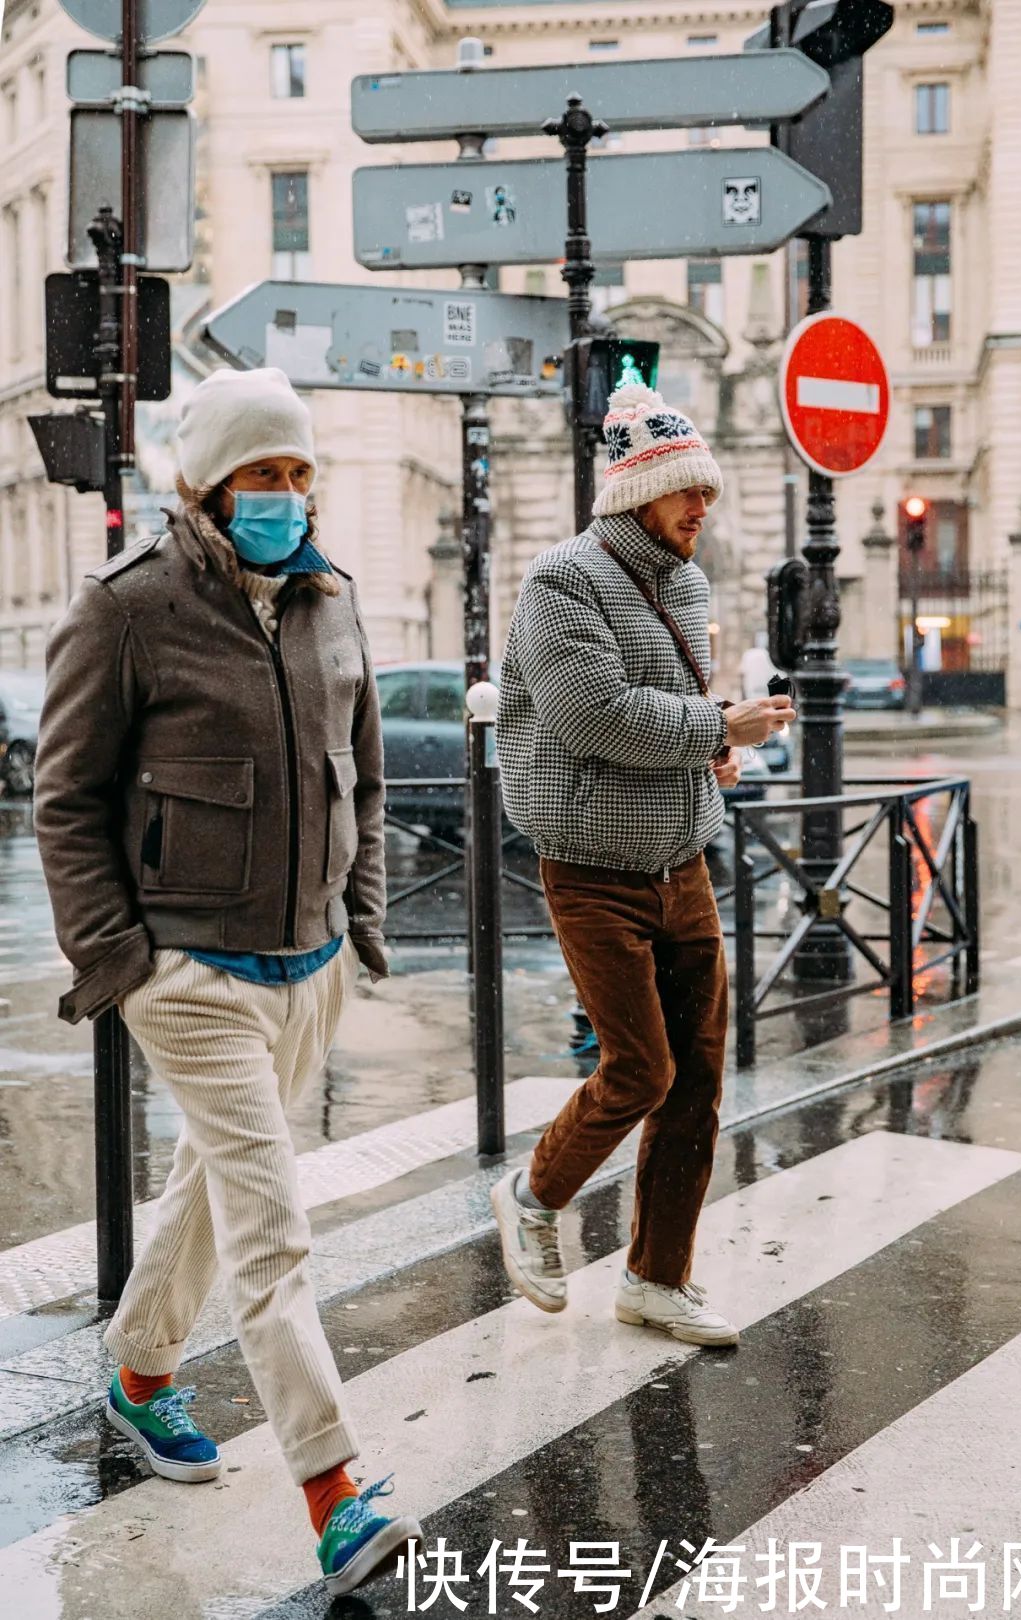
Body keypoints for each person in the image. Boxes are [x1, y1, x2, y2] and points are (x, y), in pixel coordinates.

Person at [33, 367, 422, 1597]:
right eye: (267, 474)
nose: (289, 496)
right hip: (191, 972)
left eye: (302, 473)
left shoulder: (330, 599)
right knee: (273, 1229)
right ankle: (334, 1490)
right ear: (208, 486)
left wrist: (358, 926)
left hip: (308, 967)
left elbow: (359, 772)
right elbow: (66, 798)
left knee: (211, 1187)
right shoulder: (126, 610)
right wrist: (121, 960)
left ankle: (140, 1370)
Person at [493, 382, 795, 1345]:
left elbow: (665, 704)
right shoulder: (560, 581)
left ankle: (657, 1279)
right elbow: (595, 717)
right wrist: (715, 721)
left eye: (704, 491)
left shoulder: (688, 583)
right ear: (634, 495)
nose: (700, 508)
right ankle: (534, 1197)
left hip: (682, 857)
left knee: (701, 1076)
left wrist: (714, 748)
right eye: (682, 493)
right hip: (590, 864)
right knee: (640, 1069)